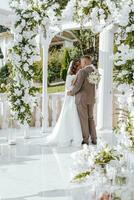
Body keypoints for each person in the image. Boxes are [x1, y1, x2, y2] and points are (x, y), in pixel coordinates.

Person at [45, 59, 83, 147]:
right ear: (74, 66)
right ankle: (68, 136)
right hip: (70, 99)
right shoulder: (70, 76)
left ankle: (75, 136)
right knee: (69, 116)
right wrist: (74, 84)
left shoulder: (81, 74)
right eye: (78, 65)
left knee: (77, 117)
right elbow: (68, 88)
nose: (80, 66)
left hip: (77, 98)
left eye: (80, 64)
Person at [67, 55, 97, 145]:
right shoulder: (95, 71)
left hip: (81, 99)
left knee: (84, 119)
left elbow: (78, 86)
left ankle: (85, 139)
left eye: (82, 61)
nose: (81, 64)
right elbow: (94, 85)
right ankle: (94, 139)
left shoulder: (82, 72)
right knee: (91, 118)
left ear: (85, 62)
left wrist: (71, 93)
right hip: (91, 99)